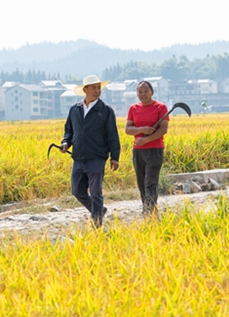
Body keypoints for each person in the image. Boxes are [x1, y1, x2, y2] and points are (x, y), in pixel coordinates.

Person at [60, 75, 121, 226]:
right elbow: (69, 131)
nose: (97, 91)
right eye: (93, 88)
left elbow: (112, 134)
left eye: (99, 87)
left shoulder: (106, 110)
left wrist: (115, 157)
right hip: (79, 157)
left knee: (95, 193)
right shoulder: (75, 109)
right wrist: (65, 142)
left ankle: (97, 223)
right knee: (77, 191)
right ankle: (99, 210)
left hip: (97, 157)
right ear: (85, 90)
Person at [124, 80, 168, 215]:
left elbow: (163, 129)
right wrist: (142, 130)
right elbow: (128, 129)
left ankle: (149, 209)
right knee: (142, 182)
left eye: (146, 91)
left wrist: (147, 140)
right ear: (137, 94)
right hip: (138, 151)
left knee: (150, 182)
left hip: (155, 150)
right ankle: (148, 207)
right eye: (140, 92)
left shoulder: (161, 107)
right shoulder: (133, 108)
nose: (143, 94)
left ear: (152, 92)